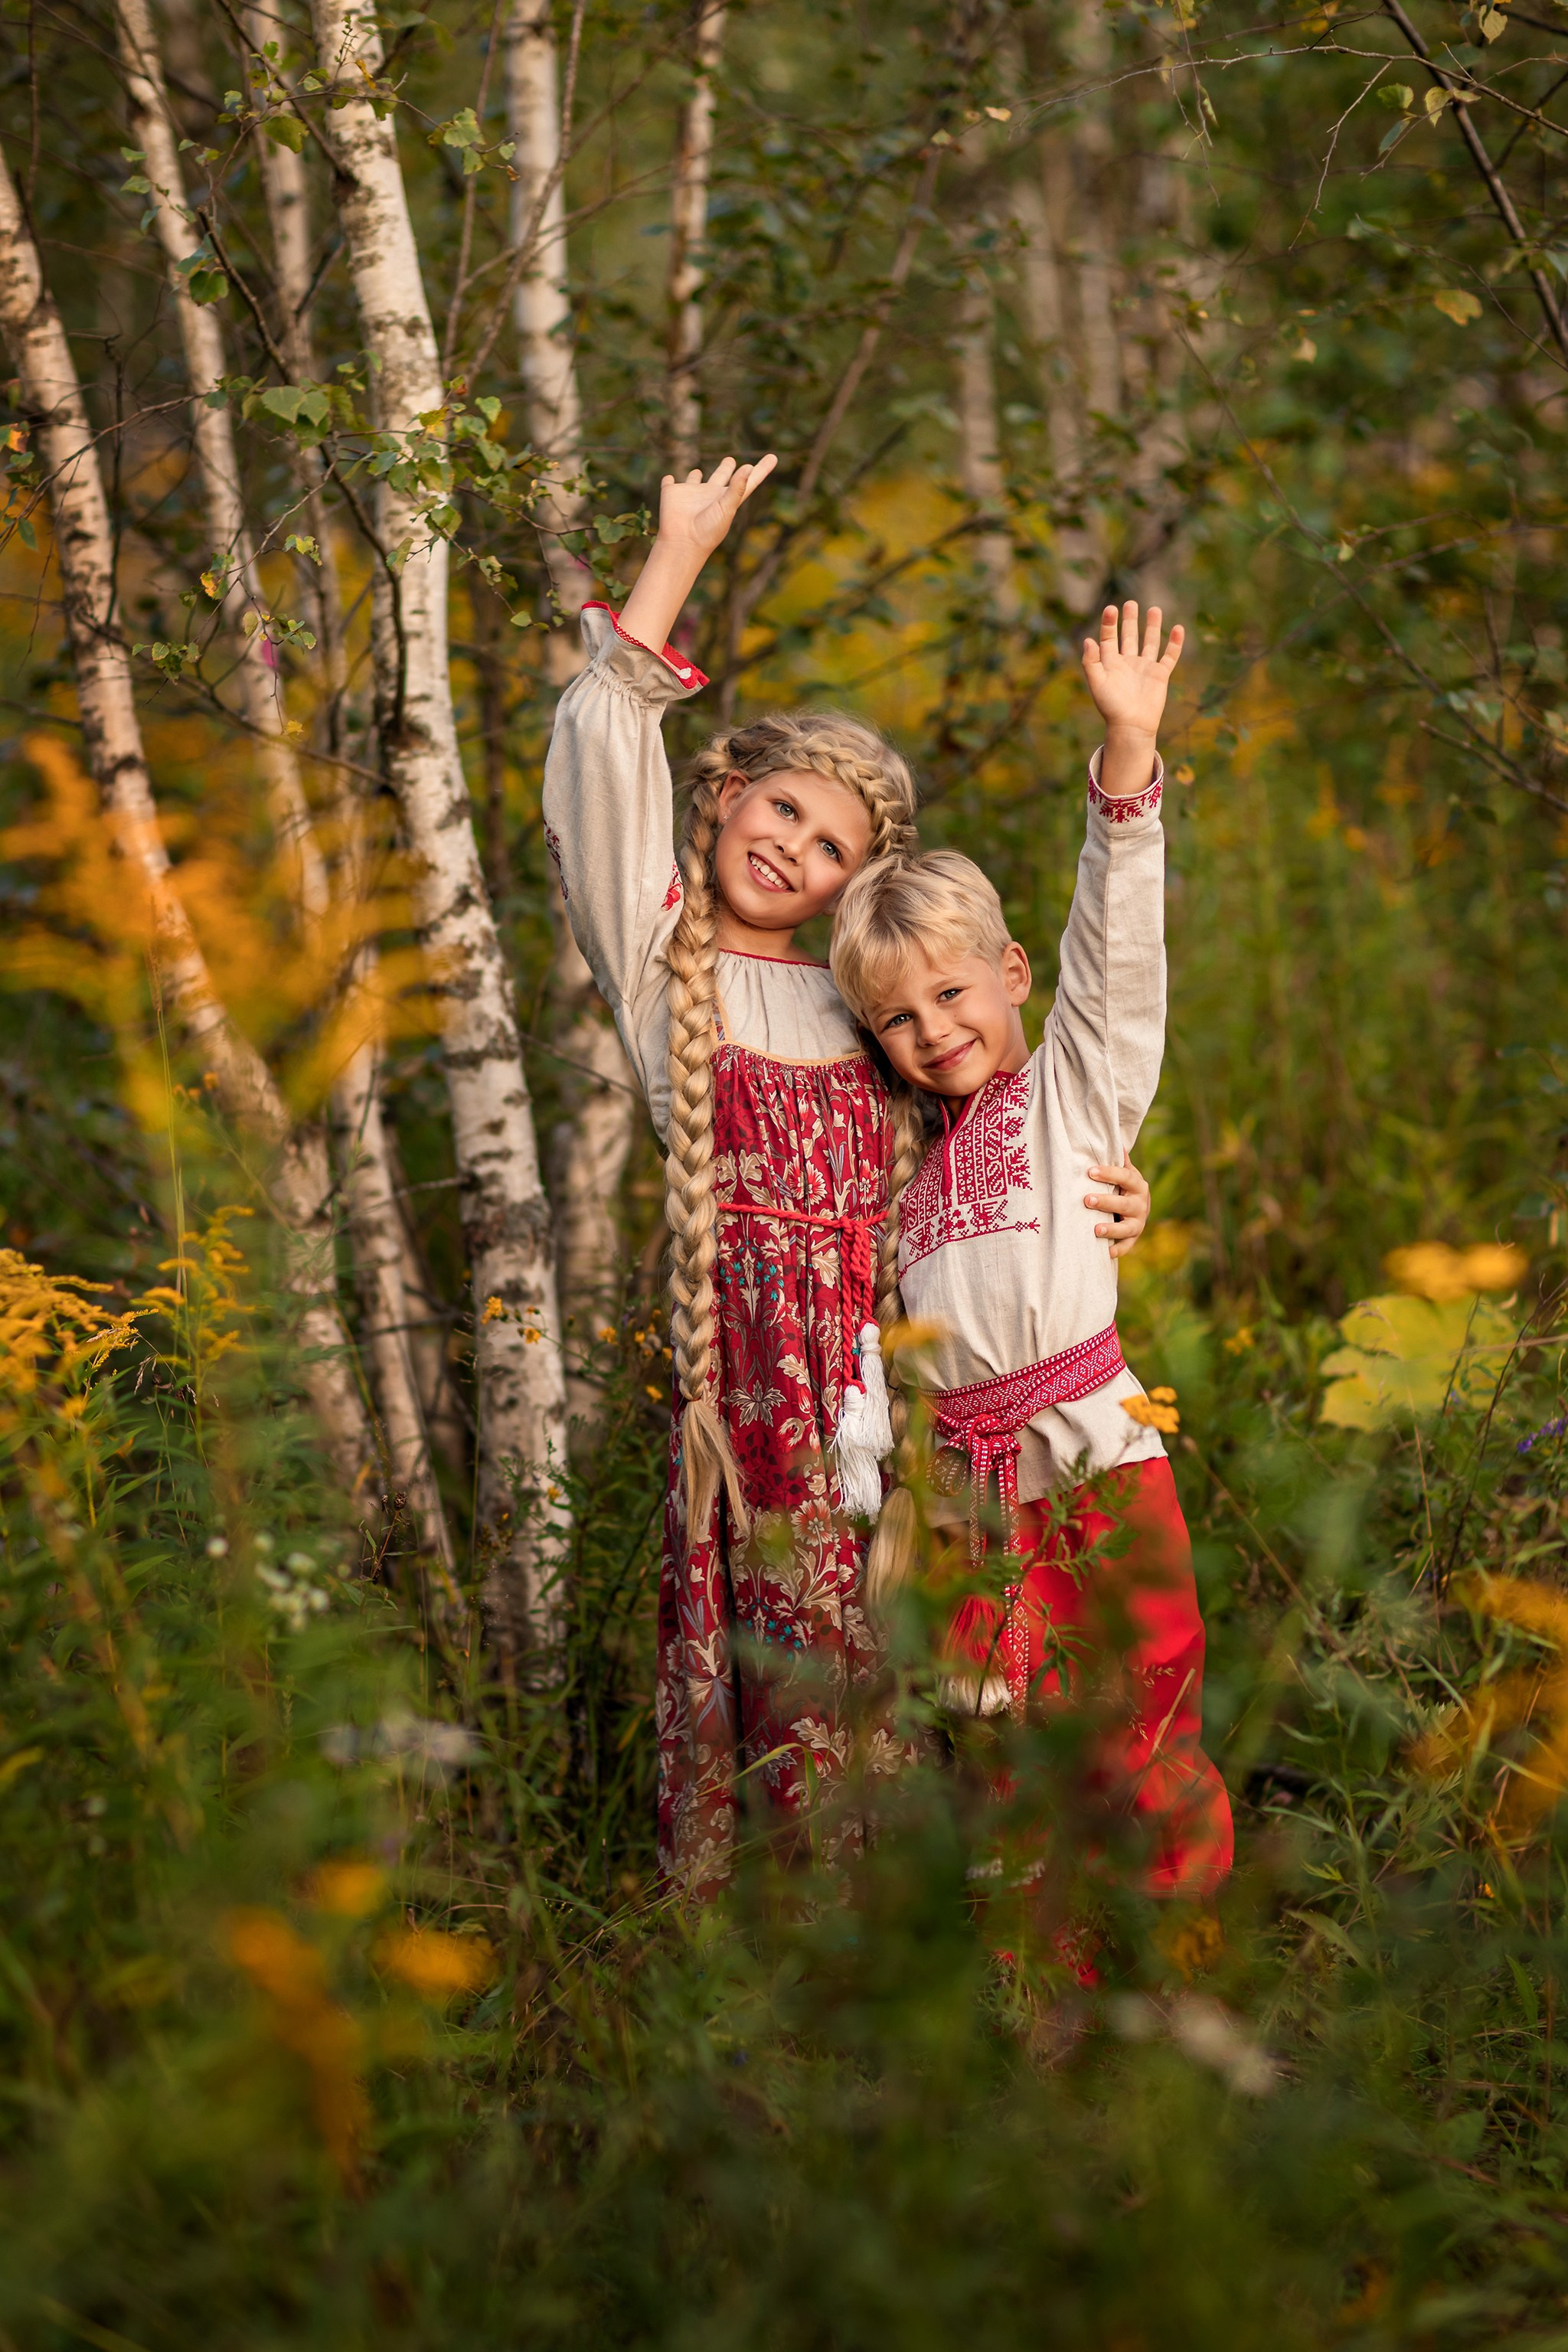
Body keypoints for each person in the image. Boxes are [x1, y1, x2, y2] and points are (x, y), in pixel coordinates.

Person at [543, 457, 1154, 1893]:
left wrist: (1117, 1192)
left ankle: (933, 1962)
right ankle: (780, 1963)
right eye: (784, 812)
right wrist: (674, 555)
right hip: (755, 1399)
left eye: (830, 850)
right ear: (730, 792)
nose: (793, 850)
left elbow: (1004, 1129)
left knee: (925, 1677)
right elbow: (596, 761)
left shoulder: (865, 1008)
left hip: (901, 1402)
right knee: (783, 1666)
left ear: (847, 892)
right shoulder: (664, 962)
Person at [828, 599, 1233, 1900]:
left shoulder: (1075, 1088)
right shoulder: (901, 1165)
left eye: (952, 992)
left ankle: (1175, 1957)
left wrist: (1126, 757)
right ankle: (1043, 1997)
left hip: (1097, 1457)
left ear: (1010, 970)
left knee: (1139, 1717)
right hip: (970, 1496)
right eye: (895, 1018)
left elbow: (1116, 951)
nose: (932, 1030)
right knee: (1007, 1741)